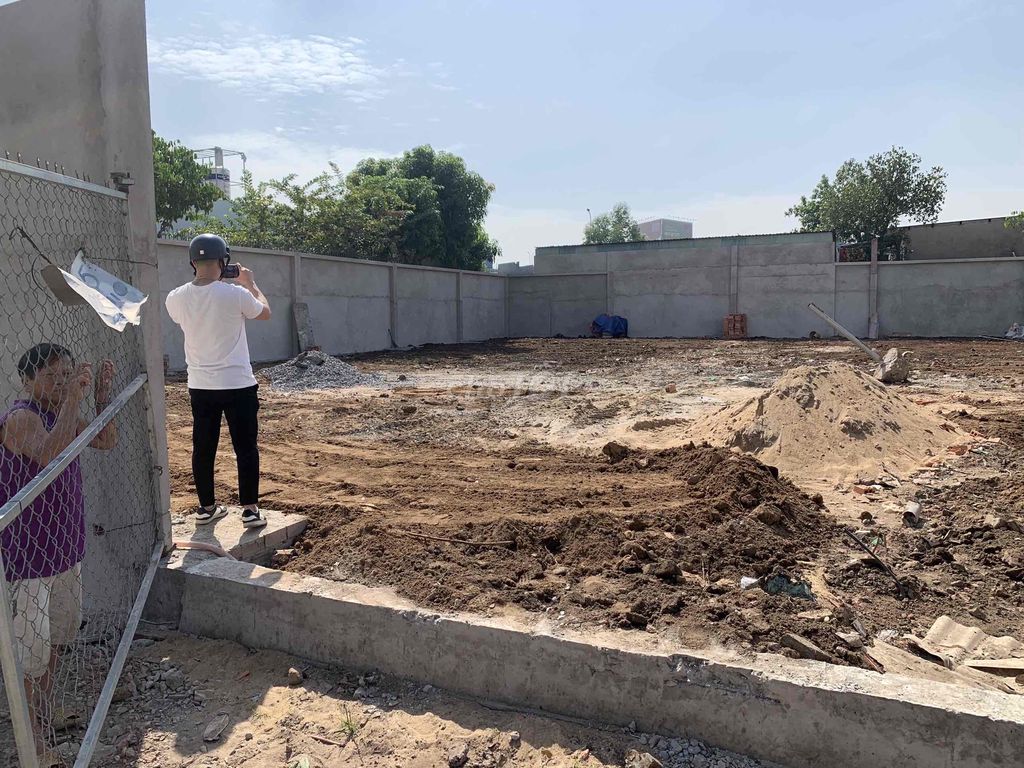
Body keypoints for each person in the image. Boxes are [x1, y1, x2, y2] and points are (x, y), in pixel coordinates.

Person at [0, 343, 117, 761]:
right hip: (28, 559)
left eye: (67, 375)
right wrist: (72, 400)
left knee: (53, 642)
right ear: (26, 381)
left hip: (64, 550)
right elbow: (50, 455)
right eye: (51, 376)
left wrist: (101, 397)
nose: (61, 383)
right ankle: (33, 744)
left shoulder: (59, 415)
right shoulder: (20, 418)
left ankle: (43, 716)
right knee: (30, 655)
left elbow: (105, 439)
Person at [165, 233, 271, 529]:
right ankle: (250, 510)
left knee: (203, 447)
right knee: (245, 447)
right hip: (238, 384)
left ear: (192, 263)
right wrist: (250, 283)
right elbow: (265, 313)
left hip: (201, 386)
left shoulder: (175, 297)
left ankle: (207, 507)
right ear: (223, 261)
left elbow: (192, 312)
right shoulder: (236, 294)